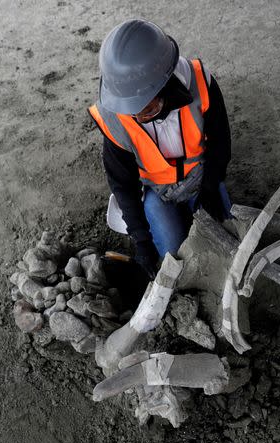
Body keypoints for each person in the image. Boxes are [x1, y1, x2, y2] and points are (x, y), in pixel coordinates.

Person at [89, 20, 232, 279]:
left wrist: (211, 186)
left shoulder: (200, 84)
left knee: (226, 245)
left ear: (165, 84)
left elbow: (220, 144)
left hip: (201, 179)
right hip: (157, 191)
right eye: (131, 109)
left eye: (146, 109)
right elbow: (123, 184)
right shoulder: (115, 116)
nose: (136, 116)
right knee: (174, 260)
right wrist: (141, 239)